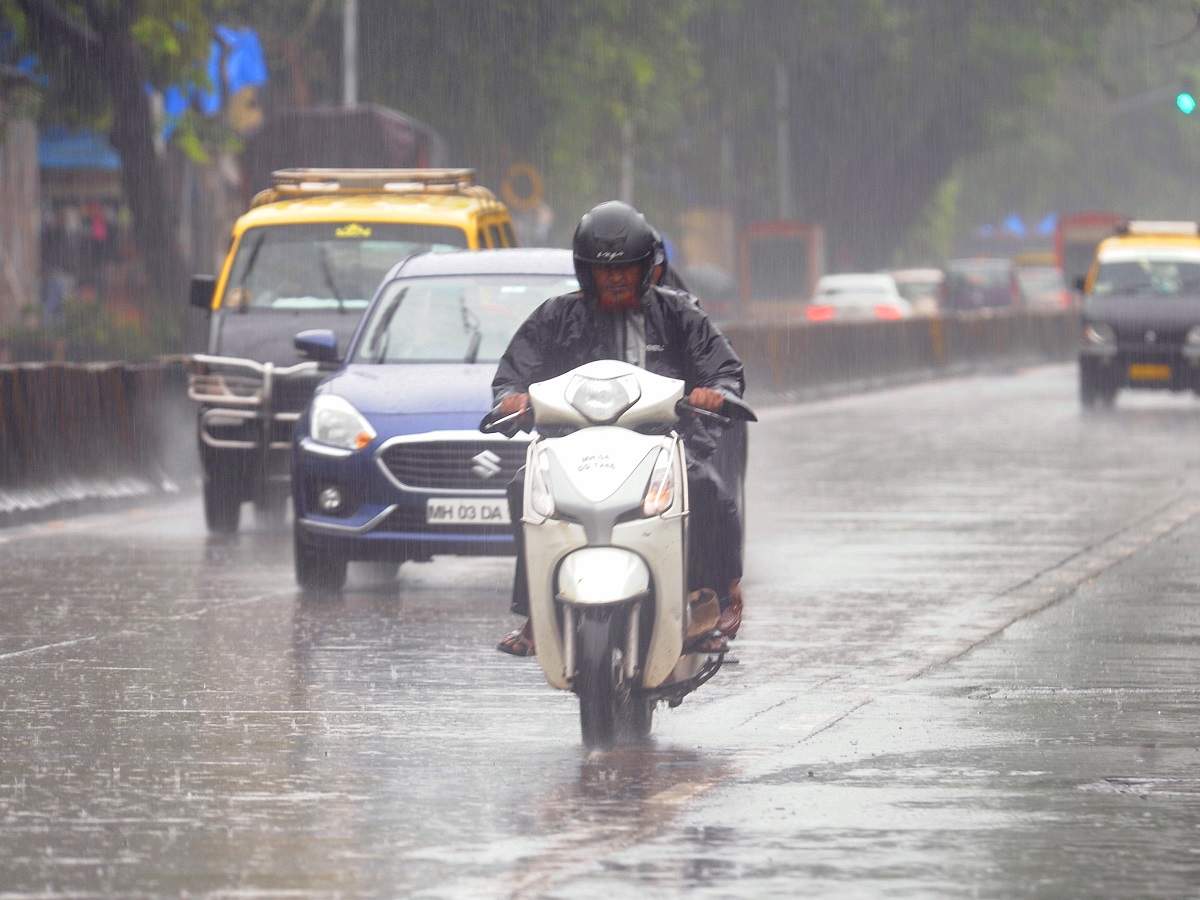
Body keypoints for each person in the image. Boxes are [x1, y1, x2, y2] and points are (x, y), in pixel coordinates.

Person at [488, 201, 745, 656]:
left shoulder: (680, 314)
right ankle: (535, 608)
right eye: (606, 272)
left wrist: (715, 391)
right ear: (585, 273)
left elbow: (724, 368)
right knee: (523, 486)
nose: (617, 278)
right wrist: (513, 398)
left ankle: (710, 599)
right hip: (573, 446)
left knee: (706, 487)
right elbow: (512, 374)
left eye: (628, 269)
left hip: (662, 443)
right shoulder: (554, 317)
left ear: (648, 269)